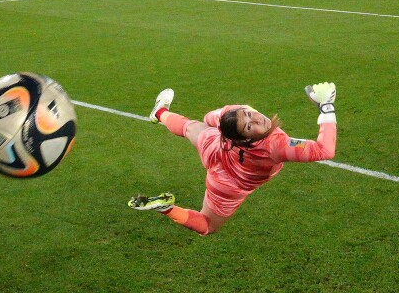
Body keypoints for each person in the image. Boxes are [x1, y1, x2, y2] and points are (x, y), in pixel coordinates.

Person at [128, 82, 338, 235]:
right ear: (244, 138)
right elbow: (324, 150)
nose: (255, 118)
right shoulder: (275, 146)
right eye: (248, 126)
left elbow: (209, 118)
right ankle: (168, 209)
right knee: (208, 225)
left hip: (216, 149)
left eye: (249, 115)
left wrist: (225, 127)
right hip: (230, 184)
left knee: (189, 127)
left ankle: (159, 112)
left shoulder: (231, 114)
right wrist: (326, 106)